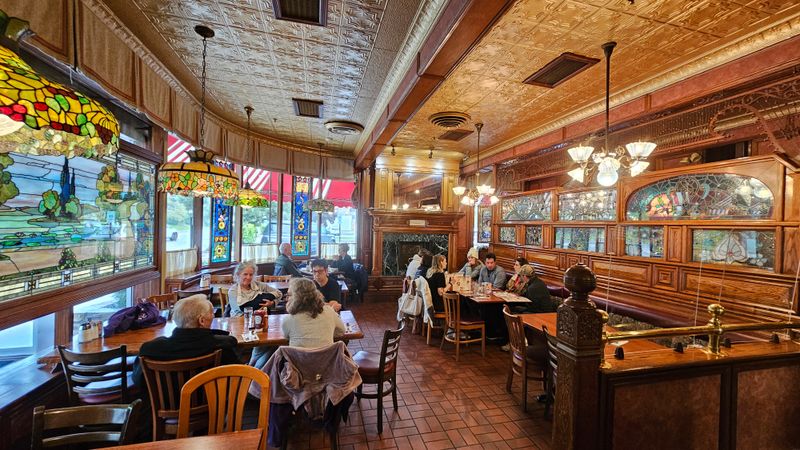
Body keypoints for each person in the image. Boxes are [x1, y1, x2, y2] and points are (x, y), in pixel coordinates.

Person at [133, 294, 239, 385]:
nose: (213, 315)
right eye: (212, 313)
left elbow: (139, 381)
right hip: (209, 405)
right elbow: (236, 377)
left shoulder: (150, 349)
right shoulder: (221, 345)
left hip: (164, 406)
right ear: (202, 321)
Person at [281, 278, 346, 348]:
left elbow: (287, 337)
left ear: (297, 297)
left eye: (289, 295)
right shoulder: (330, 312)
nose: (287, 298)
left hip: (299, 358)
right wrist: (325, 333)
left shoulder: (288, 319)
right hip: (326, 357)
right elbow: (341, 331)